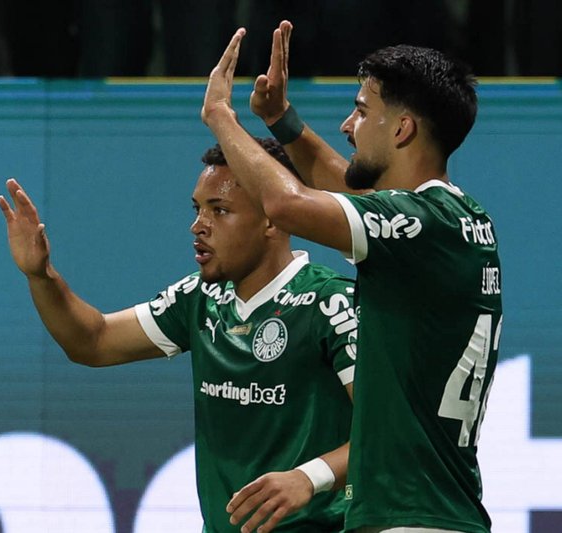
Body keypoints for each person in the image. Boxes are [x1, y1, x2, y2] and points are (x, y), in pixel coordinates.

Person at [202, 22, 503, 533]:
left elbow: (288, 203)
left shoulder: (424, 224)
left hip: (411, 517)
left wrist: (220, 119)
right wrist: (280, 120)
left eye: (362, 111)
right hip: (435, 512)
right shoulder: (453, 220)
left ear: (403, 129)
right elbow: (344, 192)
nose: (348, 125)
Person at [0, 138, 357, 533]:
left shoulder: (330, 303)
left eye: (219, 210)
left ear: (273, 218)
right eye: (197, 209)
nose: (198, 226)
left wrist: (308, 477)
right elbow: (92, 342)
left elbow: (388, 433)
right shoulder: (199, 298)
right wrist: (40, 275)